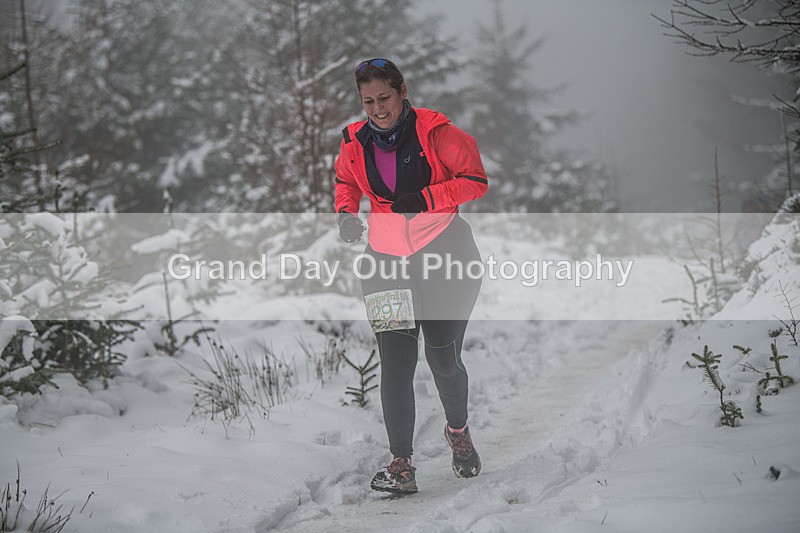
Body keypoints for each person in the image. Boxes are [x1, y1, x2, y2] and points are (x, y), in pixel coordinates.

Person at [334, 58, 488, 494]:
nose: (377, 109)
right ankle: (401, 464)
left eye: (384, 97)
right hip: (384, 262)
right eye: (368, 101)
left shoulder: (438, 132)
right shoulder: (354, 141)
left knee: (442, 358)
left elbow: (475, 180)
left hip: (445, 255)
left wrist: (425, 198)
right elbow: (345, 181)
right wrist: (346, 213)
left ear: (402, 91)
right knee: (396, 366)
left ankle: (457, 431)